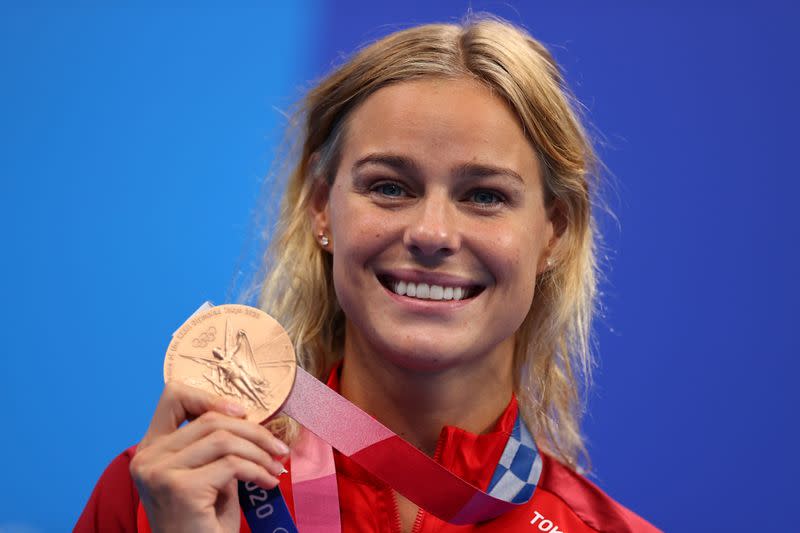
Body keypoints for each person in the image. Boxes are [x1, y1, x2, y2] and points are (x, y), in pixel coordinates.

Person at [76, 15, 660, 533]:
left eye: (484, 195)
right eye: (388, 187)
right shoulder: (157, 498)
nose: (432, 234)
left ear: (552, 232)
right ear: (321, 207)